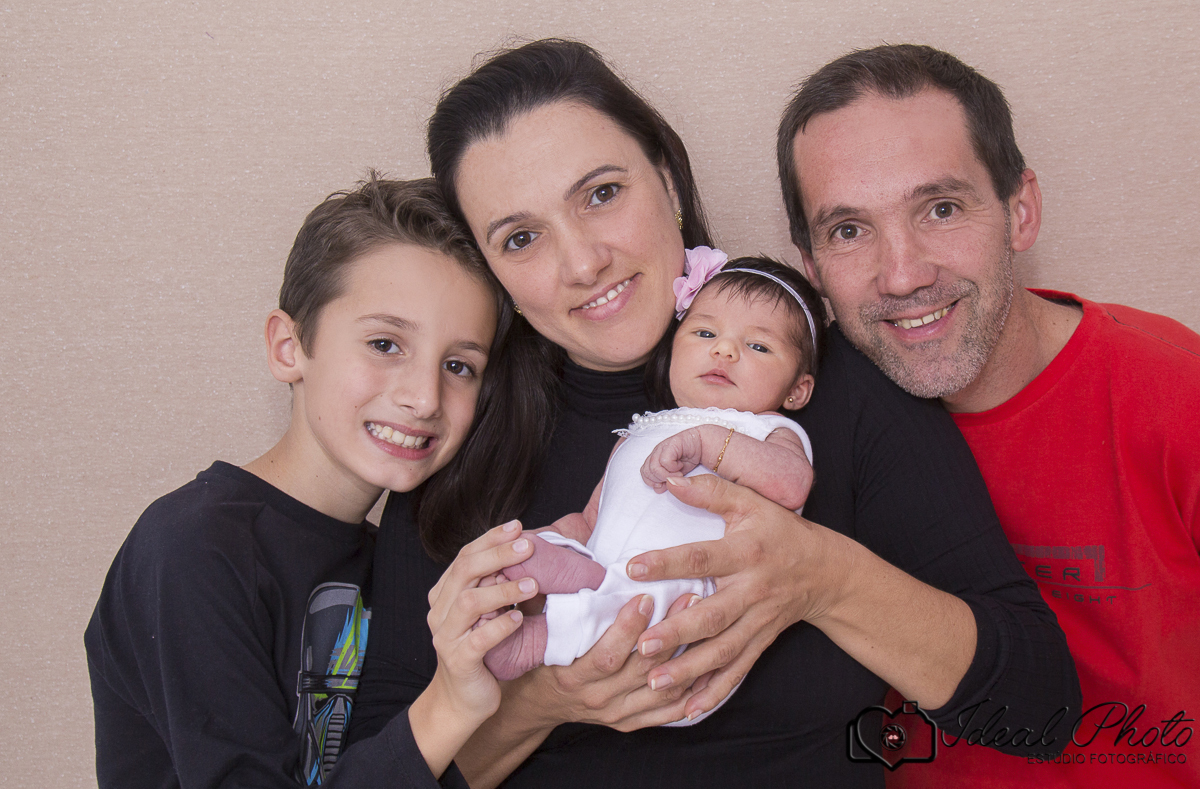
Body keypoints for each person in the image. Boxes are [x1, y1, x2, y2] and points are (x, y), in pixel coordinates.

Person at [349, 39, 1080, 789]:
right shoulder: (462, 441)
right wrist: (544, 701)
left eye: (601, 194)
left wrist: (823, 579)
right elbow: (378, 766)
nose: (582, 262)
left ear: (665, 180)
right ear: (492, 267)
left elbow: (1039, 709)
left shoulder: (828, 387)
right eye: (522, 237)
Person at [776, 43, 1200, 787]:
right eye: (849, 230)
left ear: (1020, 210)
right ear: (812, 269)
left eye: (940, 208)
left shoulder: (1174, 392)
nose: (903, 273)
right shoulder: (784, 427)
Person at [84, 176, 550, 788]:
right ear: (288, 347)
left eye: (459, 366)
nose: (423, 397)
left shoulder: (399, 558)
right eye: (385, 344)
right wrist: (452, 705)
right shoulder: (192, 549)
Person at [482, 253, 822, 701]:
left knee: (634, 605)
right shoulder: (643, 430)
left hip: (686, 599)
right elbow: (592, 518)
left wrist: (707, 443)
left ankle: (537, 640)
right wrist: (549, 538)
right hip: (602, 570)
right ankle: (533, 596)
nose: (724, 350)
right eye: (704, 333)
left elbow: (793, 484)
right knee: (531, 553)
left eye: (758, 346)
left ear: (797, 390)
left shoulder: (766, 430)